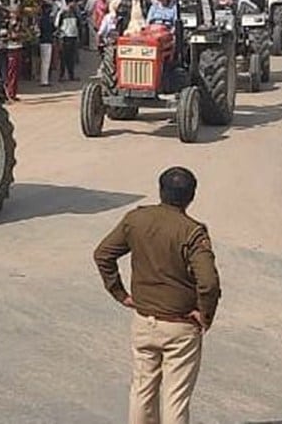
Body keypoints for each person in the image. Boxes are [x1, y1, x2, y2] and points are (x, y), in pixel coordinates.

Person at [93, 166, 221, 424]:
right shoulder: (192, 232)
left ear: (160, 191)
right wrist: (205, 315)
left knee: (141, 391)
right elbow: (208, 283)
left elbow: (103, 254)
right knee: (175, 399)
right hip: (180, 326)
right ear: (191, 196)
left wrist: (120, 293)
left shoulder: (136, 219)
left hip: (143, 321)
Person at [55, 0, 80, 82]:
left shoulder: (76, 12)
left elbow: (78, 24)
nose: (74, 4)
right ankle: (61, 76)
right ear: (69, 2)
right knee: (63, 58)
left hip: (73, 37)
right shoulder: (62, 12)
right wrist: (59, 37)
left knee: (71, 58)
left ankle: (71, 75)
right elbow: (57, 25)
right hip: (65, 37)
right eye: (72, 2)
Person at [3, 12, 24, 101]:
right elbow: (7, 36)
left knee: (15, 73)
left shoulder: (19, 25)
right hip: (11, 49)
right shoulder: (6, 25)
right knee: (11, 73)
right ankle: (9, 93)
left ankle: (13, 93)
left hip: (17, 48)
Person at [37, 0, 55, 87]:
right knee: (46, 62)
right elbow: (53, 29)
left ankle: (44, 79)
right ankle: (44, 81)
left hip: (42, 41)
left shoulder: (41, 19)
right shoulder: (47, 20)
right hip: (47, 41)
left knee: (44, 62)